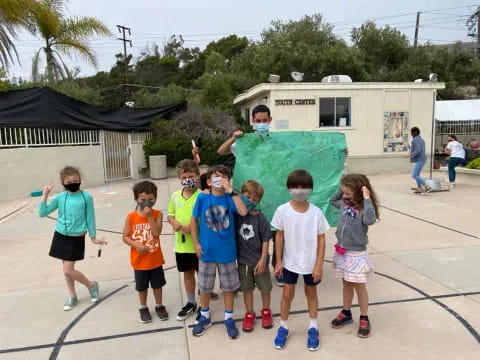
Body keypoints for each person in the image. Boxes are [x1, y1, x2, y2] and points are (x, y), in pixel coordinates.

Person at [217, 105, 285, 286]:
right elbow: (221, 151)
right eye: (258, 121)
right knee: (249, 232)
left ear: (270, 120)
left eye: (265, 120)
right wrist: (234, 137)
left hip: (272, 192)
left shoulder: (277, 142)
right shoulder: (245, 142)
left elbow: (298, 154)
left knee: (275, 230)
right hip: (249, 194)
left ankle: (277, 268)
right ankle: (248, 268)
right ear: (252, 121)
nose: (262, 123)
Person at [271, 169, 329, 351]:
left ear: (310, 189)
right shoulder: (282, 210)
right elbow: (279, 236)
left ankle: (313, 327)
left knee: (311, 293)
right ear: (289, 188)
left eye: (304, 187)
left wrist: (319, 264)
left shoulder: (316, 212)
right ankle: (283, 326)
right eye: (296, 187)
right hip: (289, 262)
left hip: (311, 263)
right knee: (287, 294)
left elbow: (321, 238)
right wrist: (278, 261)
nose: (300, 190)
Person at [191, 165, 248, 339]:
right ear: (208, 181)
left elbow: (243, 211)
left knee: (229, 287)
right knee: (205, 287)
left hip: (227, 252)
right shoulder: (202, 198)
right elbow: (194, 220)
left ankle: (229, 318)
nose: (220, 180)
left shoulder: (230, 199)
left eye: (224, 177)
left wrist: (231, 191)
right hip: (207, 252)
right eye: (216, 177)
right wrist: (196, 243)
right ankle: (205, 316)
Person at [39, 166, 107, 311]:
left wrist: (93, 236)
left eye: (75, 180)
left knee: (67, 270)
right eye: (69, 182)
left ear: (80, 180)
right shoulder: (60, 198)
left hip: (76, 238)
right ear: (63, 183)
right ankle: (72, 295)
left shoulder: (86, 197)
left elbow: (90, 217)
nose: (73, 183)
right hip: (60, 236)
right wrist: (45, 195)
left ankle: (91, 285)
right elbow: (42, 213)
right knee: (67, 270)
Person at [329, 174, 379, 338]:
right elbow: (332, 200)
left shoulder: (365, 209)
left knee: (359, 286)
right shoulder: (343, 203)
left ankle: (364, 317)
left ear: (359, 192)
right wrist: (342, 187)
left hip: (357, 253)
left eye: (348, 194)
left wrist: (367, 198)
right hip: (343, 251)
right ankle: (346, 312)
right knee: (346, 284)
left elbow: (370, 220)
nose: (344, 197)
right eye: (343, 193)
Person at [167, 160, 218, 321]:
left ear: (198, 176)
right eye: (184, 176)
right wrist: (173, 222)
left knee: (202, 275)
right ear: (179, 178)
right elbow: (170, 214)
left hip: (199, 245)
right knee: (188, 275)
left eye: (191, 176)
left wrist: (194, 226)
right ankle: (190, 302)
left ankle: (204, 305)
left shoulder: (203, 196)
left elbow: (209, 217)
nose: (188, 179)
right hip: (182, 246)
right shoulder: (175, 196)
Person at [122, 181, 168, 323]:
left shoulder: (157, 214)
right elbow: (125, 236)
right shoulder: (131, 217)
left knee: (157, 284)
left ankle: (159, 305)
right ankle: (143, 307)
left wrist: (149, 217)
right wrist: (136, 245)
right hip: (139, 261)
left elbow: (156, 233)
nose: (147, 203)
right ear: (136, 199)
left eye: (150, 199)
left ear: (155, 198)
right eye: (143, 200)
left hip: (155, 259)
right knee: (141, 286)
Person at [236, 180, 273, 332]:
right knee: (247, 289)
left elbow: (265, 239)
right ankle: (249, 313)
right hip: (244, 262)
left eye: (254, 198)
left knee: (265, 289)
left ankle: (266, 312)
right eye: (248, 196)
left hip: (259, 261)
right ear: (241, 195)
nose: (251, 200)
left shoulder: (260, 217)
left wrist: (263, 259)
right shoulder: (236, 216)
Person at [408, 127, 431, 193]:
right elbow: (419, 148)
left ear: (414, 132)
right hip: (422, 158)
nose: (411, 134)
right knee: (417, 174)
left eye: (412, 132)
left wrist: (410, 155)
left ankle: (427, 186)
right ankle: (419, 188)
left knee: (414, 175)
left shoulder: (414, 140)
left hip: (420, 159)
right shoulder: (421, 139)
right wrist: (411, 148)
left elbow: (418, 150)